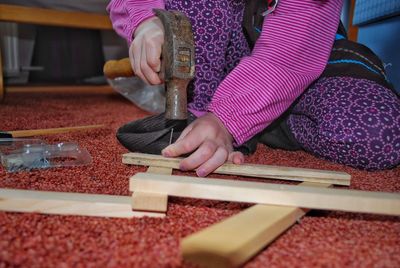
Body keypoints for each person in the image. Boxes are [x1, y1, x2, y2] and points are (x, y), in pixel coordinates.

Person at [107, 0, 400, 176]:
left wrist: (229, 118)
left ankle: (247, 120)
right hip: (213, 70)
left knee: (380, 135)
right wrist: (146, 20)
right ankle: (201, 118)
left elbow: (296, 39)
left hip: (301, 53)